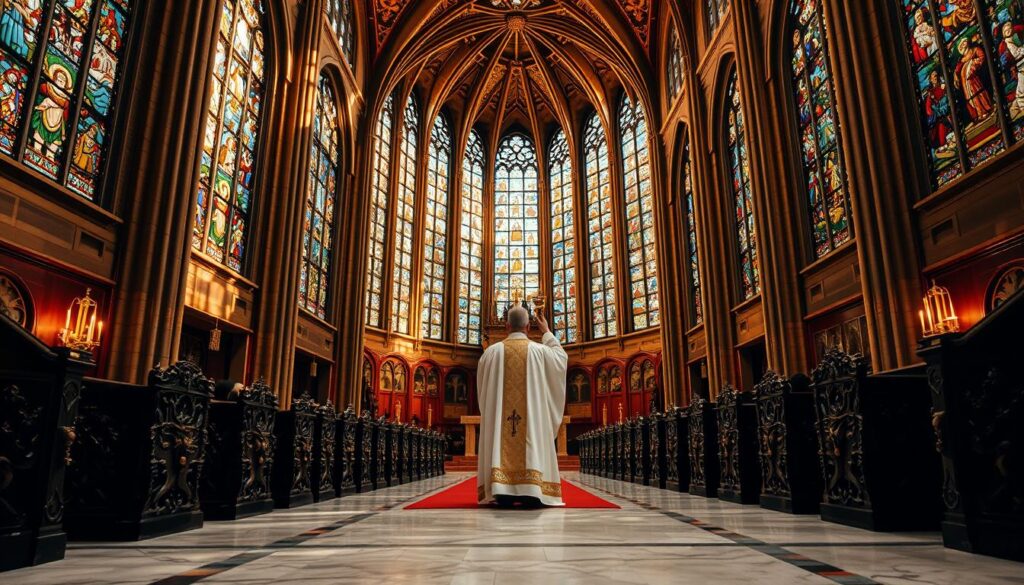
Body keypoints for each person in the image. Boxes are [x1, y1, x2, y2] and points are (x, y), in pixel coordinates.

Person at [476, 306, 567, 507]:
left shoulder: (490, 353)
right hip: (531, 427)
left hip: (501, 427)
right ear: (528, 327)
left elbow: (482, 394)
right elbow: (561, 359)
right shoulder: (541, 351)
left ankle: (501, 488)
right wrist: (547, 332)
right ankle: (531, 488)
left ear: (507, 326)